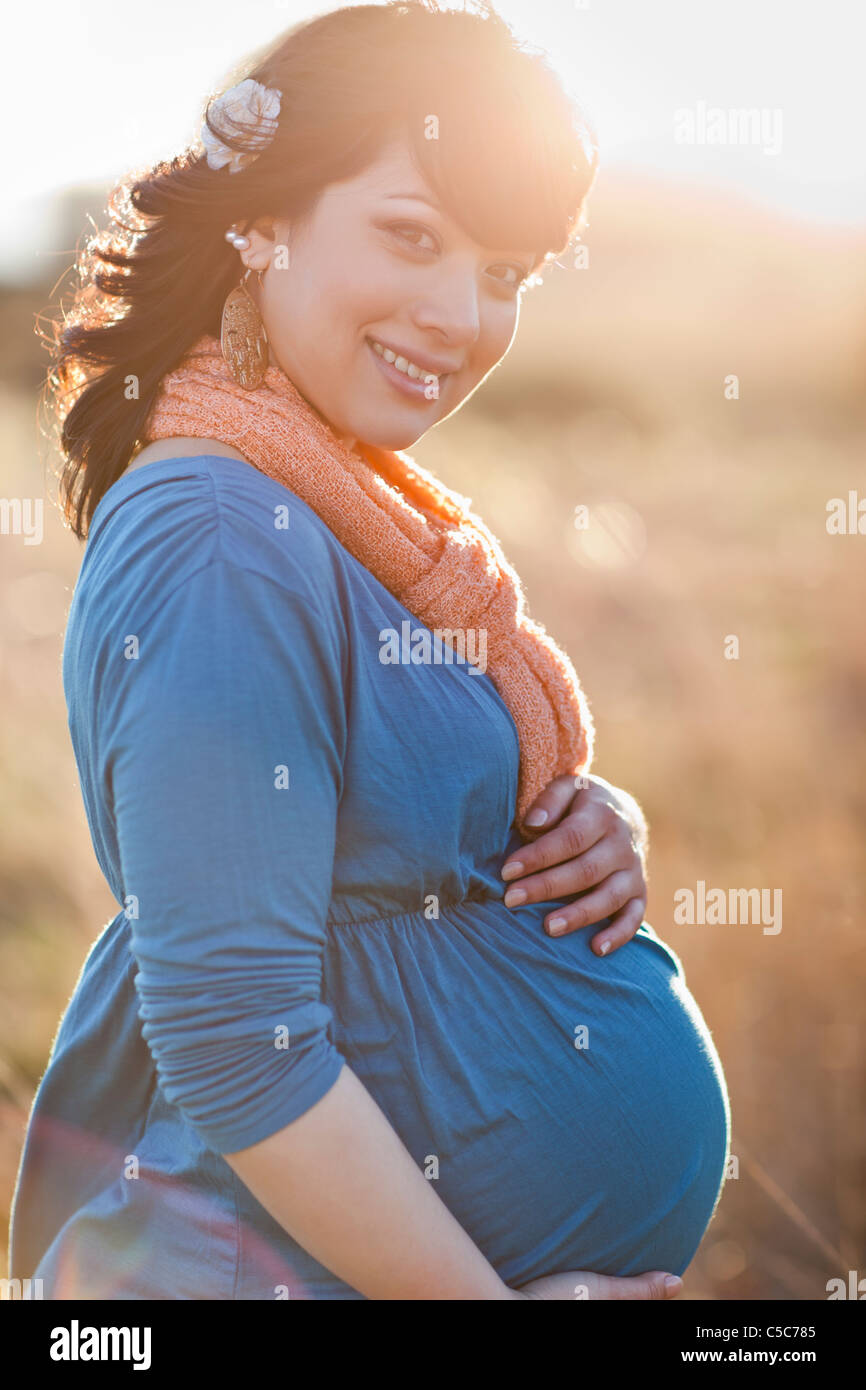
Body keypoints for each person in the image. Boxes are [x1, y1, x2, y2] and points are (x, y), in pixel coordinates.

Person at [8, 0, 729, 1299]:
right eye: (411, 234)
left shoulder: (343, 503)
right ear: (264, 215)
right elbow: (239, 1041)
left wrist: (578, 825)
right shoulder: (221, 526)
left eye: (507, 271)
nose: (460, 315)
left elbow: (390, 842)